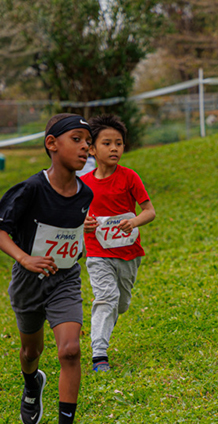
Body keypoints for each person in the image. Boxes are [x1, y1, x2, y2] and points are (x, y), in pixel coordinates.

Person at [0, 113, 93, 424]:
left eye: (88, 142)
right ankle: (32, 382)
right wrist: (25, 258)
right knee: (30, 351)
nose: (85, 147)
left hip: (65, 279)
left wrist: (82, 233)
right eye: (76, 139)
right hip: (28, 281)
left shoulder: (86, 193)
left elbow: (71, 237)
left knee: (71, 350)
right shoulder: (31, 189)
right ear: (52, 144)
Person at [82, 115, 156, 372]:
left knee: (121, 304)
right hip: (97, 252)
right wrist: (83, 224)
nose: (114, 148)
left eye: (119, 143)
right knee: (107, 297)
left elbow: (149, 211)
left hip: (128, 253)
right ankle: (99, 354)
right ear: (92, 149)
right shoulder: (83, 185)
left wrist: (134, 222)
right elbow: (72, 218)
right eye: (107, 143)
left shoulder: (129, 177)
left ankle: (104, 328)